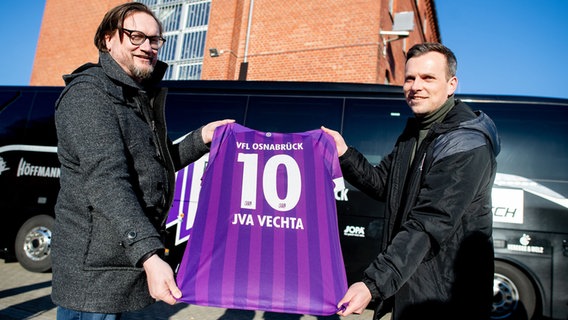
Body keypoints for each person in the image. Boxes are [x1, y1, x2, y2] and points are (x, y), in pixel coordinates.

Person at [51, 3, 233, 319]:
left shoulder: (137, 98)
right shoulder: (89, 94)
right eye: (136, 36)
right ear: (108, 39)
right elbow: (107, 180)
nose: (147, 47)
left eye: (154, 40)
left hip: (132, 276)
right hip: (96, 289)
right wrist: (150, 255)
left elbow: (152, 170)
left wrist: (200, 137)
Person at [322, 43, 500, 320]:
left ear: (451, 84)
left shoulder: (465, 143)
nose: (416, 86)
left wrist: (373, 284)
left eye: (428, 78)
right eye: (410, 78)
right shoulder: (414, 134)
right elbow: (383, 183)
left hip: (446, 295)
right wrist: (344, 154)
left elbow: (429, 222)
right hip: (415, 284)